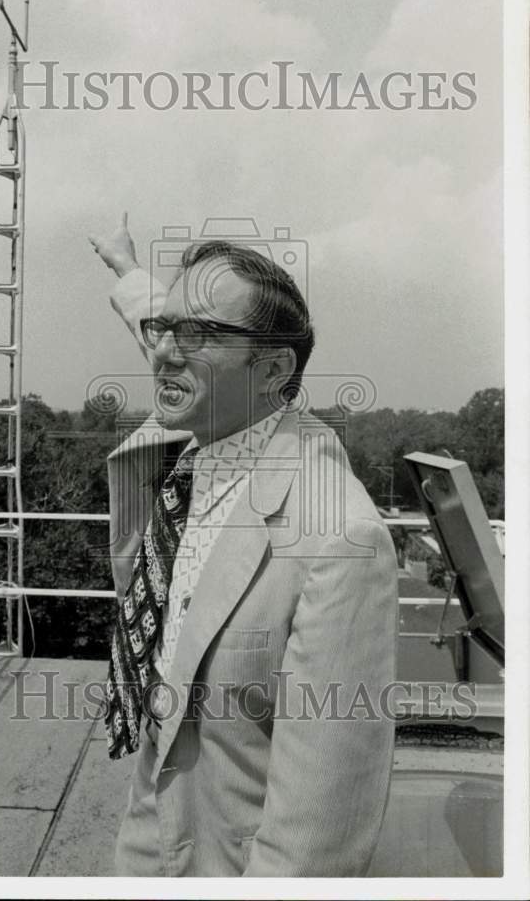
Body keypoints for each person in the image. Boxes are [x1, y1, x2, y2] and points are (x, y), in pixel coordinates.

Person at [89, 215, 399, 877]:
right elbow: (175, 330)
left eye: (194, 334)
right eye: (162, 327)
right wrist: (124, 266)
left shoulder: (337, 540)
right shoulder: (215, 422)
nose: (165, 352)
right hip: (150, 826)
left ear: (273, 369)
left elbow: (319, 829)